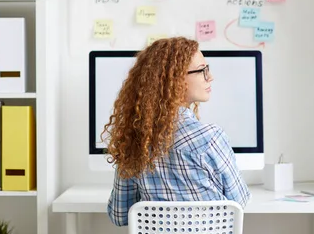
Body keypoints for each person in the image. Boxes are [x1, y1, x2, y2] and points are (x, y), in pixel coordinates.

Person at [101, 36, 250, 227]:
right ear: (176, 80)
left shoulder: (135, 141)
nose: (210, 77)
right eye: (202, 70)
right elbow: (239, 202)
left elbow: (119, 215)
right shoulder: (210, 139)